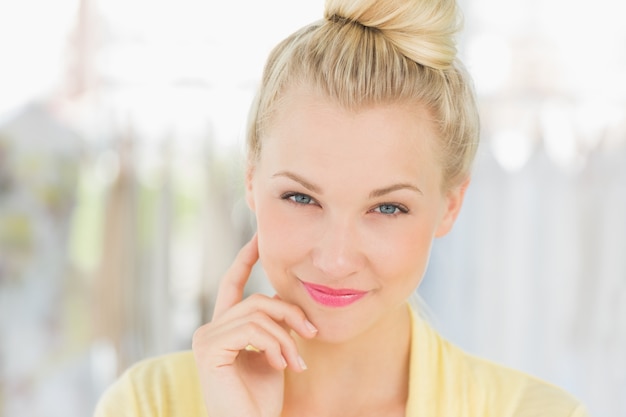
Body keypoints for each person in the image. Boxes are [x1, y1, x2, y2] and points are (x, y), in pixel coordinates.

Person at [94, 0, 589, 416]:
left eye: (388, 208)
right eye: (301, 198)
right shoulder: (147, 403)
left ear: (450, 205)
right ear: (250, 180)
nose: (335, 259)